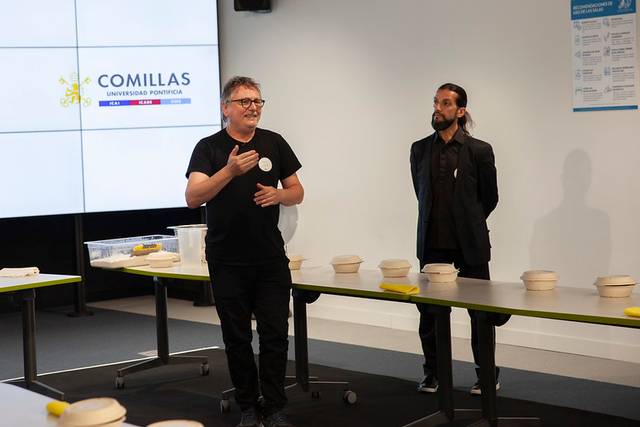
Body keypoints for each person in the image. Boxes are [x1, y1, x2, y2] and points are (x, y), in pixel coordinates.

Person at [185, 76, 303, 427]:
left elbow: (296, 190)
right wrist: (229, 170)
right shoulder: (209, 148)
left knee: (275, 335)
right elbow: (193, 197)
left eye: (258, 101)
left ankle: (275, 406)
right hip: (227, 260)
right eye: (244, 101)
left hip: (269, 258)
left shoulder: (275, 142)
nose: (253, 107)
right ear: (225, 108)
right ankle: (249, 407)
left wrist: (280, 195)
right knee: (236, 338)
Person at [410, 83, 508, 396]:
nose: (438, 108)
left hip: (470, 243)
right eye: (436, 102)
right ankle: (433, 373)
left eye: (446, 103)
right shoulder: (420, 149)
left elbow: (489, 198)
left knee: (480, 313)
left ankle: (487, 374)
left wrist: (469, 222)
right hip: (432, 242)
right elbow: (420, 193)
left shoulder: (479, 150)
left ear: (460, 111)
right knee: (431, 313)